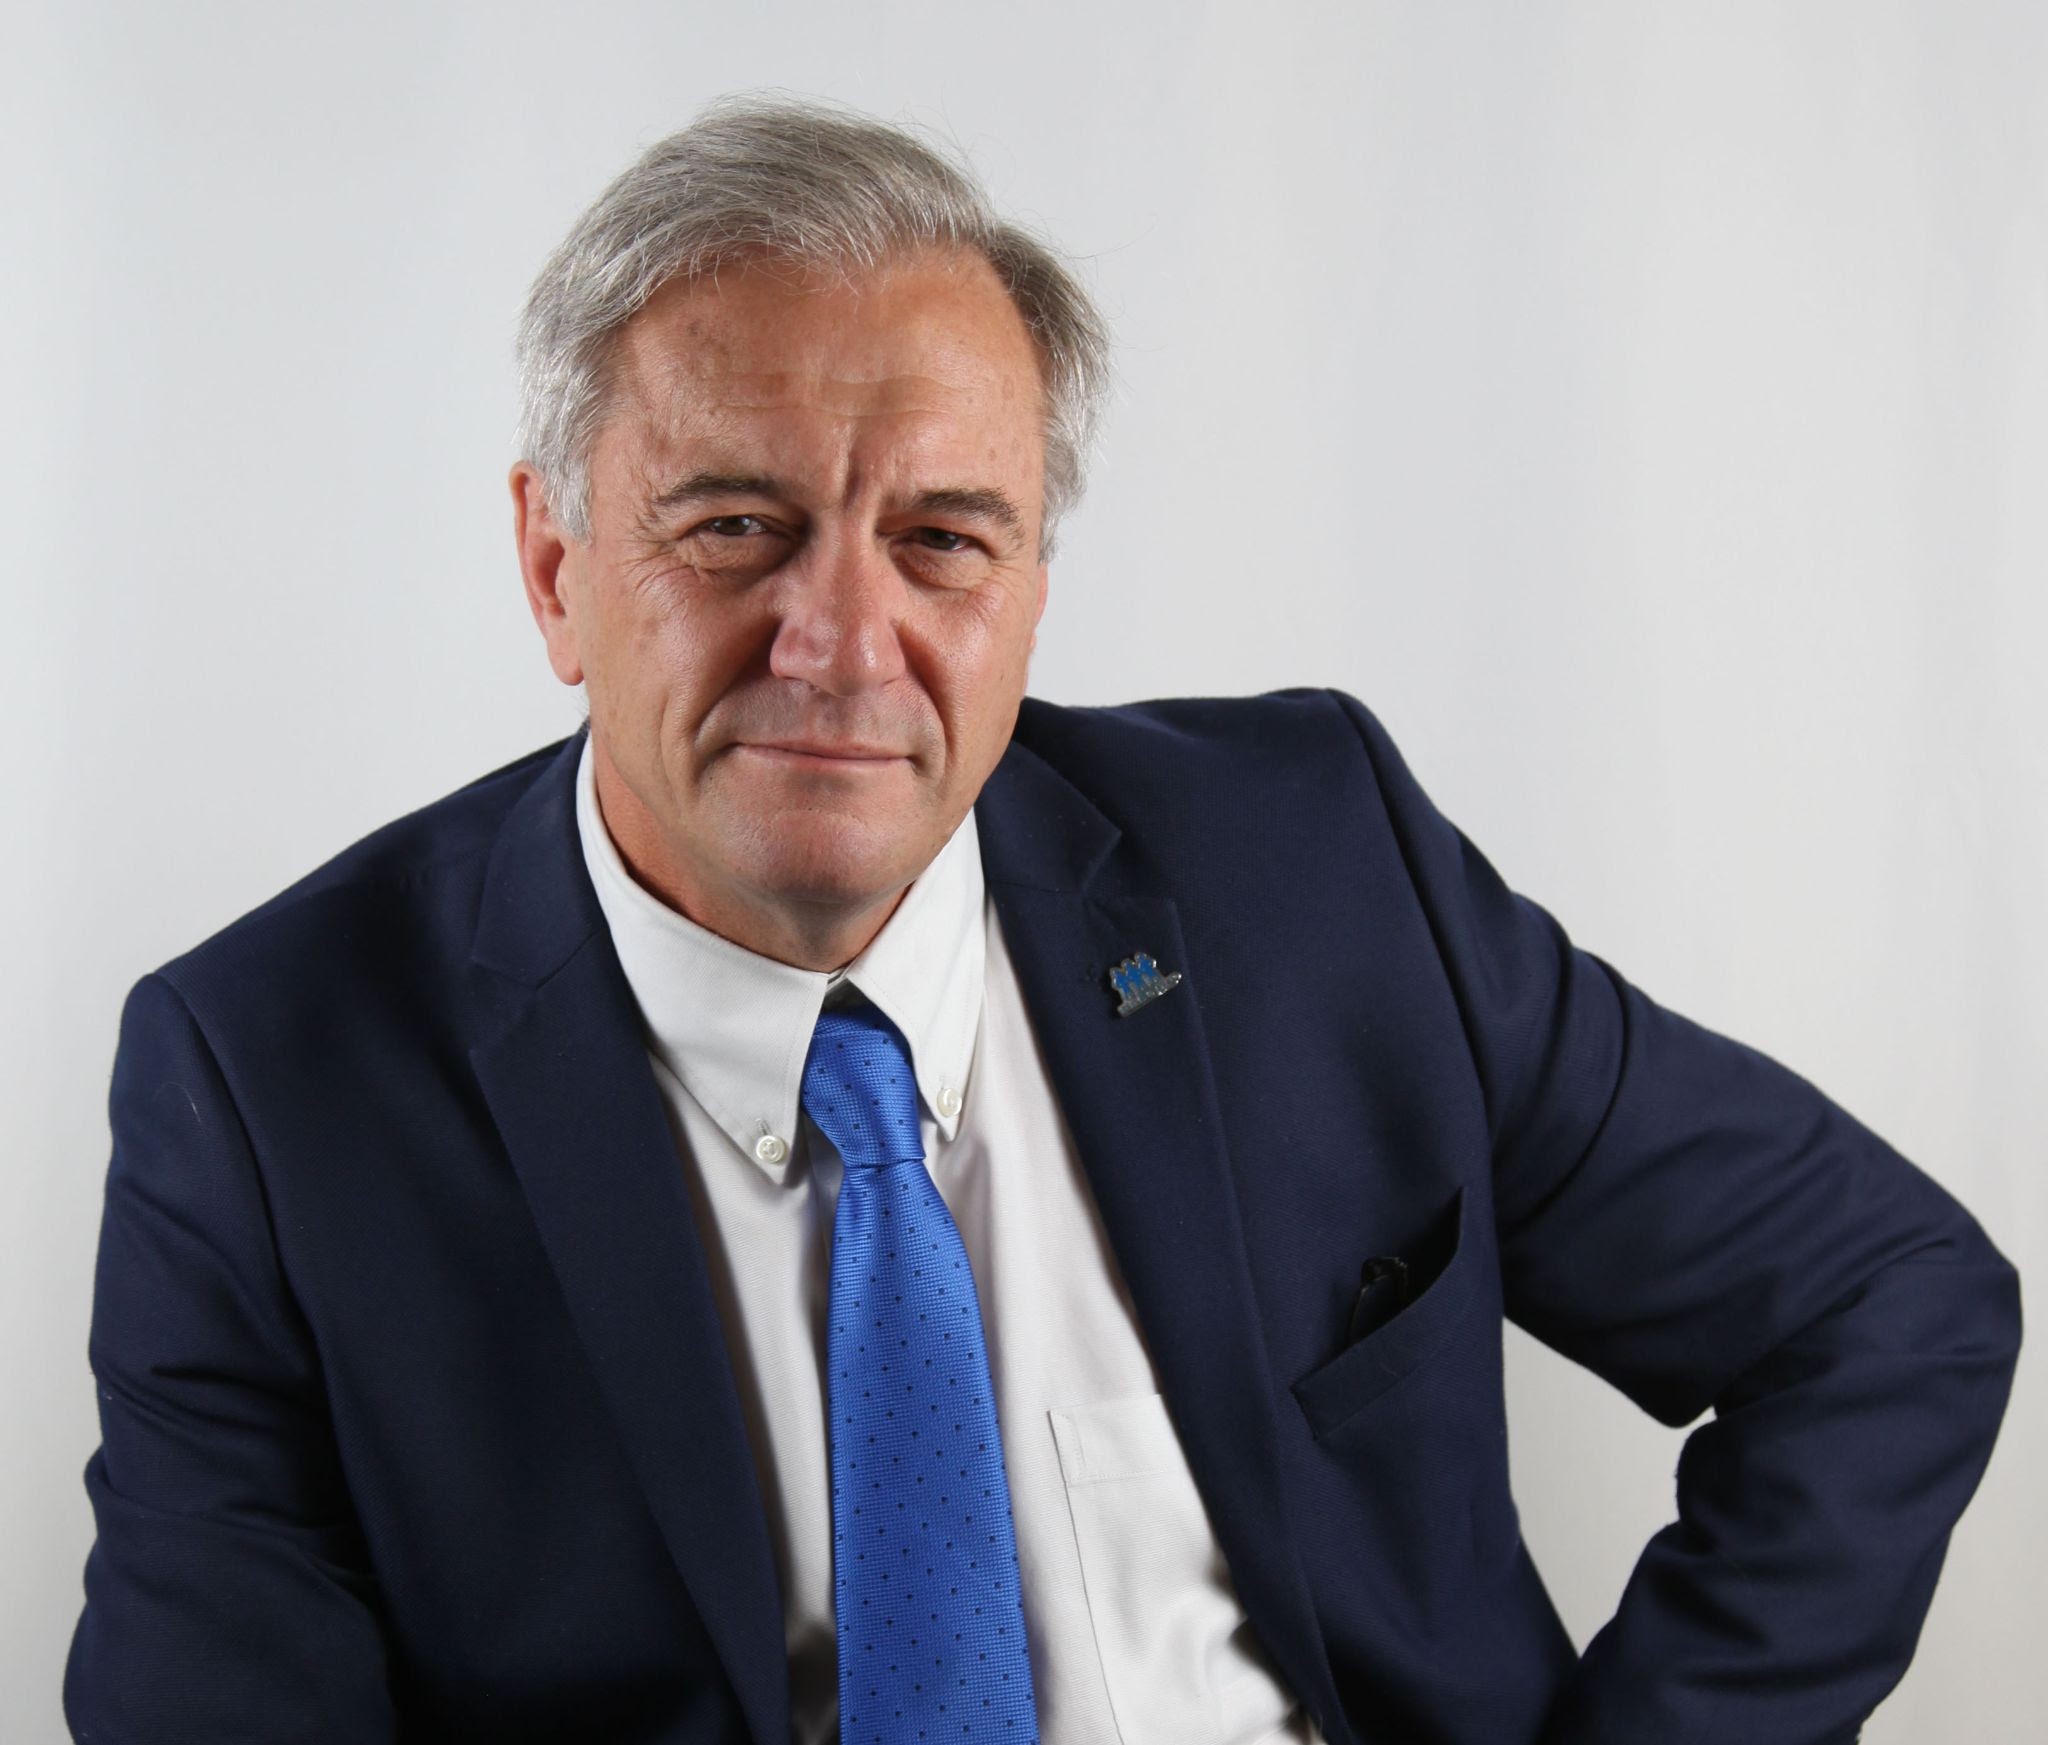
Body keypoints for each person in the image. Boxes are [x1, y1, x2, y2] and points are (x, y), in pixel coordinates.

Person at [65, 94, 2020, 1745]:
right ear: (552, 563)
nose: (842, 640)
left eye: (942, 538)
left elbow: (1882, 1305)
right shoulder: (267, 1081)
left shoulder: (1311, 870)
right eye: (733, 524)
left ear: (1030, 589)